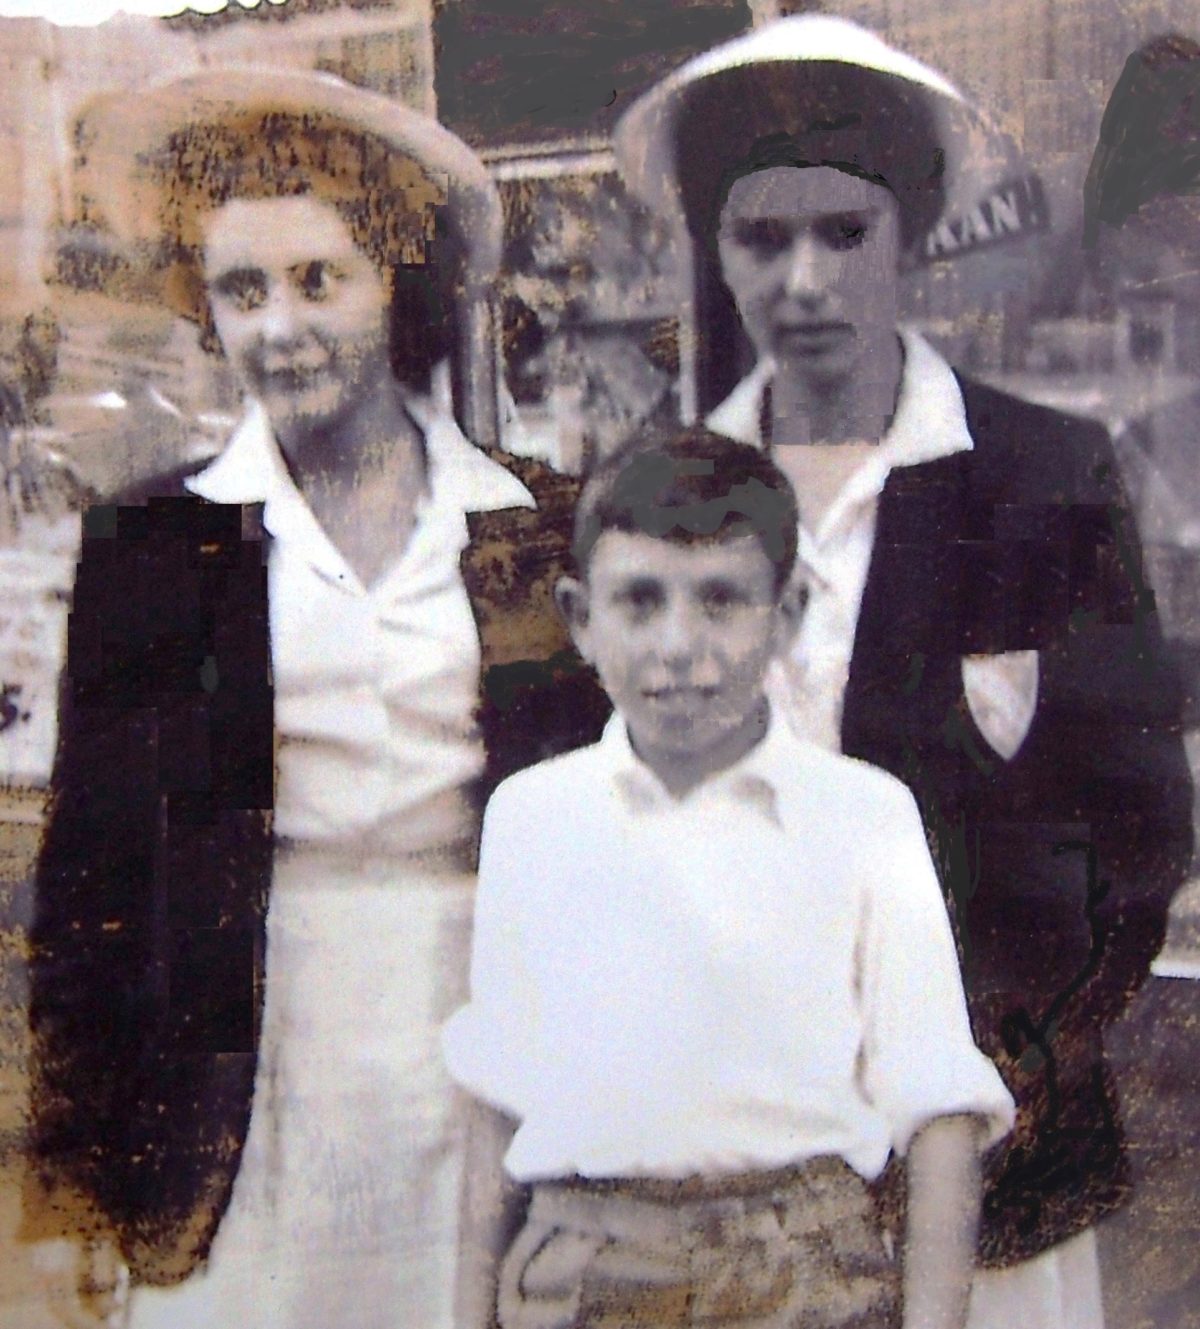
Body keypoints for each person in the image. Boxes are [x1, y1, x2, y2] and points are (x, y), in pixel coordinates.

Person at [612, 15, 1194, 1329]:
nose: (803, 279)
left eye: (844, 232)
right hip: (735, 1145)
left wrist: (1010, 1065)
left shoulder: (1040, 475)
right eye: (763, 238)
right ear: (716, 246)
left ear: (914, 236)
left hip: (991, 1149)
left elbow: (1140, 829)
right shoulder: (662, 496)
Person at [24, 68, 605, 1329]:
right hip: (248, 1047)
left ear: (394, 284)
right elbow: (92, 884)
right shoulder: (157, 550)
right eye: (242, 291)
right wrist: (73, 1194)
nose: (279, 328)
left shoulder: (532, 525)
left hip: (477, 1032)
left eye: (316, 281)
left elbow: (615, 845)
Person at [444, 426, 1015, 1329]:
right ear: (579, 619)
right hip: (585, 1264)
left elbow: (940, 1107)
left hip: (804, 1268)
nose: (679, 644)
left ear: (787, 614)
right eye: (638, 601)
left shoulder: (864, 816)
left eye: (722, 600)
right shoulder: (533, 818)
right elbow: (498, 1103)